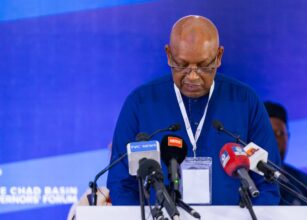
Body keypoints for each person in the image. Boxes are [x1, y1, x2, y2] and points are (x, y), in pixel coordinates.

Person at [107, 15, 281, 205]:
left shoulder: (246, 101)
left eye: (203, 66)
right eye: (181, 65)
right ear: (168, 54)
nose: (192, 76)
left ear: (219, 56)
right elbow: (121, 185)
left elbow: (268, 184)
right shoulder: (139, 103)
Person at [264, 101, 307, 205]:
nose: (274, 139)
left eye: (279, 133)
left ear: (287, 137)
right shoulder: (240, 182)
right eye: (268, 133)